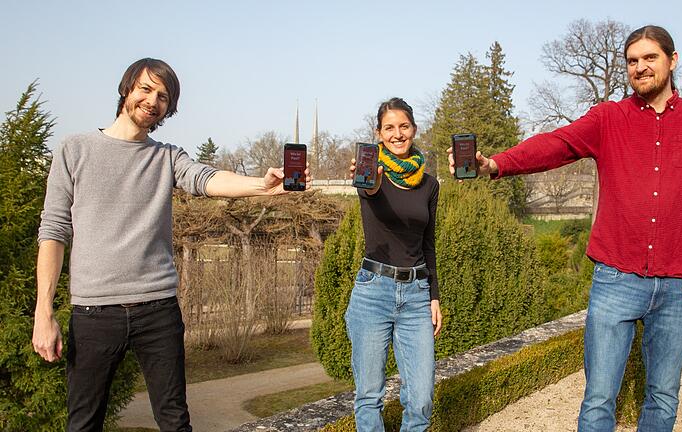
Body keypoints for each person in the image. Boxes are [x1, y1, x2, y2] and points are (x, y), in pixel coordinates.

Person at [449, 26, 682, 432]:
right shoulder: (608, 118)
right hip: (616, 279)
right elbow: (555, 144)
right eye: (633, 61)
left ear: (673, 60)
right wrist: (495, 164)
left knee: (664, 397)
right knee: (599, 399)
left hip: (677, 283)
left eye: (650, 58)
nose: (640, 67)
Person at [31, 58, 311, 432]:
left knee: (175, 422)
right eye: (146, 89)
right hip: (94, 312)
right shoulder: (74, 149)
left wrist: (262, 184)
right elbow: (53, 231)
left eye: (163, 97)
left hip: (158, 310)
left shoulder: (166, 157)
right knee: (82, 424)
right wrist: (43, 312)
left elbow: (207, 179)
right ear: (126, 88)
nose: (153, 100)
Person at [345, 97, 442, 431]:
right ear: (379, 133)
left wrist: (434, 296)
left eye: (404, 126)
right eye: (390, 127)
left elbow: (427, 241)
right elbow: (371, 192)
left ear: (413, 129)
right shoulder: (370, 174)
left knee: (421, 398)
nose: (397, 134)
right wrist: (367, 179)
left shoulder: (430, 184)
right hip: (374, 292)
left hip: (416, 294)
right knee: (369, 397)